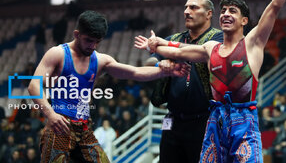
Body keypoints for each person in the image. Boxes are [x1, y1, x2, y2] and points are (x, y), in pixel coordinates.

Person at [135, 0, 286, 162]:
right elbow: (179, 50)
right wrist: (157, 43)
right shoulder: (211, 48)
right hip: (215, 120)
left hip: (243, 122)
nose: (226, 14)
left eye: (233, 11)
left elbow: (275, 5)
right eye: (224, 10)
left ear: (244, 20)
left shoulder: (253, 43)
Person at [28, 10, 188, 163]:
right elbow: (34, 85)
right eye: (89, 40)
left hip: (84, 128)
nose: (93, 46)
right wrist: (50, 114)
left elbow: (135, 72)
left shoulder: (100, 60)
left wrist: (166, 71)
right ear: (77, 34)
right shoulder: (58, 54)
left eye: (97, 41)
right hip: (59, 126)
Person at [145, 0, 223, 163]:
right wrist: (161, 64)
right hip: (173, 121)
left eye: (194, 8)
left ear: (209, 14)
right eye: (186, 7)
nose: (187, 12)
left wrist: (168, 49)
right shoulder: (173, 39)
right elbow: (150, 61)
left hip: (205, 121)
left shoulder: (219, 38)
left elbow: (200, 50)